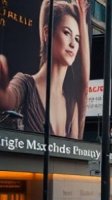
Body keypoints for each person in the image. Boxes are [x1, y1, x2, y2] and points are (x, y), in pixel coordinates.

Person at [0, 0, 89, 139]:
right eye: (67, 33)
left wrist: (82, 20)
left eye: (77, 39)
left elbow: (84, 88)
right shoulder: (25, 84)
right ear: (47, 33)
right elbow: (7, 100)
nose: (73, 44)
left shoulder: (72, 105)